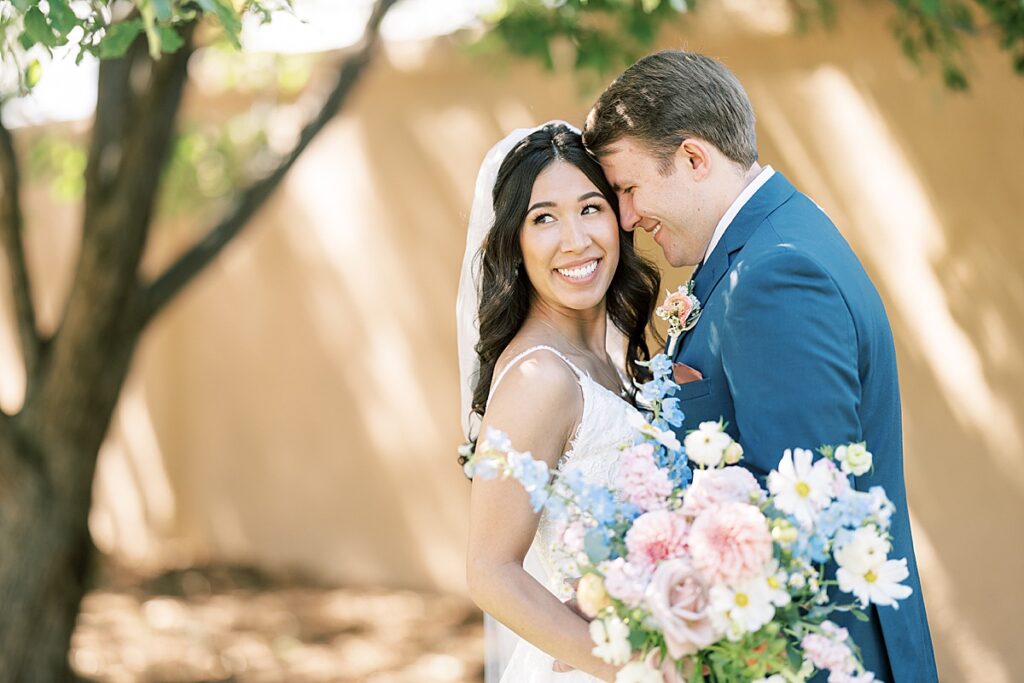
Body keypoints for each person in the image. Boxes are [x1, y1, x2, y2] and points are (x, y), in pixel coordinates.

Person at [581, 50, 938, 682]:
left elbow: (797, 525)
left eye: (629, 189)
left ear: (693, 159)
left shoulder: (772, 275)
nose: (627, 220)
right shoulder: (774, 239)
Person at [458, 122, 661, 682]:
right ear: (514, 244)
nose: (575, 240)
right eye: (543, 218)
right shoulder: (539, 378)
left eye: (591, 208)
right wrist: (636, 668)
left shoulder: (614, 361)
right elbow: (490, 571)